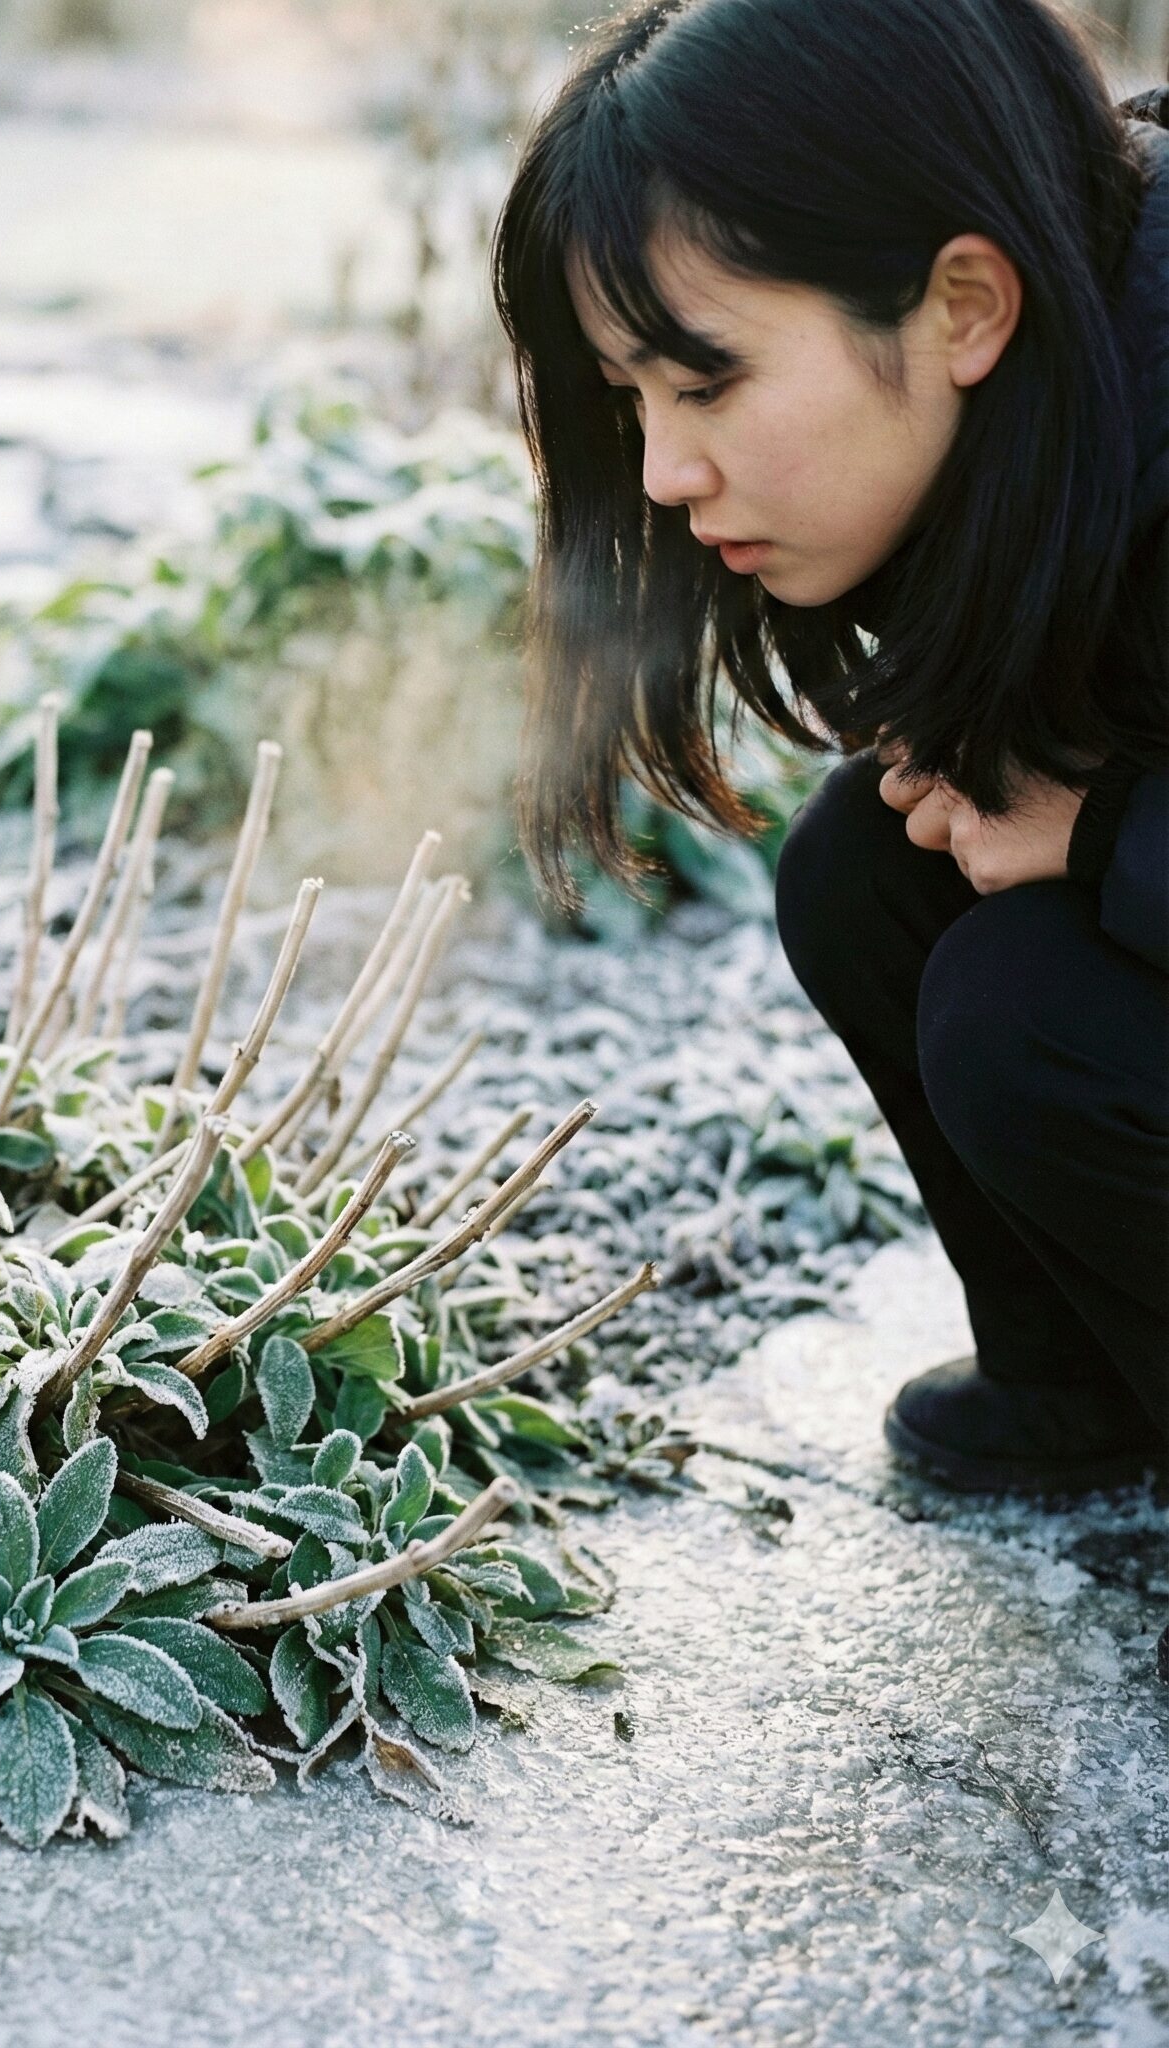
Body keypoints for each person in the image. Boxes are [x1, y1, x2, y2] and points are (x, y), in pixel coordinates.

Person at [491, 0, 1167, 1662]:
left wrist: (1111, 835)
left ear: (962, 303)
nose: (657, 471)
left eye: (706, 379)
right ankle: (1084, 1379)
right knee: (872, 870)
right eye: (629, 394)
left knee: (1030, 1014)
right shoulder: (1076, 370)